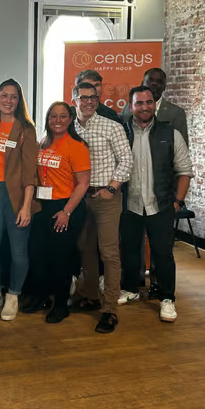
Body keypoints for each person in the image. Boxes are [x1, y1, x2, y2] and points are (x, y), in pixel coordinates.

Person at [119, 86, 193, 323]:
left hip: (160, 205)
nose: (144, 107)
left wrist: (177, 202)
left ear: (155, 104)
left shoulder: (170, 133)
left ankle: (167, 299)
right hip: (128, 204)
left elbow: (185, 171)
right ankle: (130, 289)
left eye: (148, 102)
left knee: (163, 255)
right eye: (139, 103)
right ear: (131, 107)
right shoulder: (121, 132)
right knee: (129, 251)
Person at [71, 81, 132, 334]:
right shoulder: (69, 128)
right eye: (83, 97)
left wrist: (111, 188)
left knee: (108, 253)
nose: (88, 102)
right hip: (79, 198)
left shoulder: (112, 126)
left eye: (93, 98)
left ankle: (109, 310)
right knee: (85, 248)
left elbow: (127, 159)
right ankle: (90, 297)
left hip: (105, 197)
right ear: (74, 99)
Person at [0, 78, 40, 321]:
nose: (9, 101)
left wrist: (26, 206)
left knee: (18, 251)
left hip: (17, 195)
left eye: (14, 96)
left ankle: (13, 294)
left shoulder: (26, 129)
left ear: (19, 100)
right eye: (4, 95)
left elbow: (29, 172)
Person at [25, 102, 90, 324]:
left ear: (71, 119)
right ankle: (41, 297)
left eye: (63, 116)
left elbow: (82, 184)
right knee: (39, 254)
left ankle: (61, 305)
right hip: (44, 206)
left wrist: (66, 212)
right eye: (53, 116)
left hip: (66, 206)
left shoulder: (77, 146)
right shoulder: (43, 142)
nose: (58, 120)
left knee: (60, 258)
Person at [120, 67, 189, 146]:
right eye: (150, 80)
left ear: (164, 87)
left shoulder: (176, 113)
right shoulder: (129, 108)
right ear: (142, 83)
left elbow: (182, 146)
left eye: (159, 81)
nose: (154, 84)